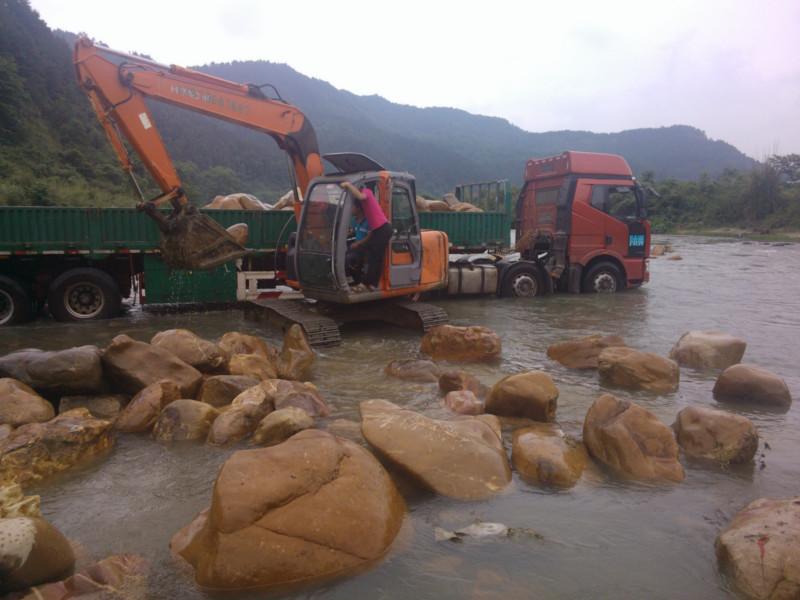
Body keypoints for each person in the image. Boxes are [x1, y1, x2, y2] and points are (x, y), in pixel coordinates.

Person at [340, 182, 391, 290]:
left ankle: (366, 283)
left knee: (374, 257)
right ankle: (372, 284)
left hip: (382, 228)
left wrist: (348, 185)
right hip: (379, 228)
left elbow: (360, 196)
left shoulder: (367, 192)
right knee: (375, 256)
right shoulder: (363, 203)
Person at [346, 200, 369, 284]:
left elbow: (370, 236)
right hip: (356, 247)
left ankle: (351, 278)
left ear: (358, 208)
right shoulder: (355, 220)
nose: (351, 209)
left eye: (352, 207)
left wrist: (358, 243)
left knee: (348, 258)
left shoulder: (368, 221)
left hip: (364, 248)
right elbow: (353, 231)